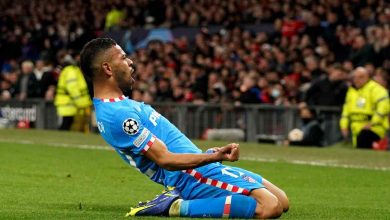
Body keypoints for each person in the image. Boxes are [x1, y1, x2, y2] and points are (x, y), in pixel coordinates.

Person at [79, 38, 289, 219]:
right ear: (107, 68)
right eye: (123, 58)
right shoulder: (118, 115)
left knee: (282, 200)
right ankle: (174, 206)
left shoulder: (118, 106)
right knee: (269, 207)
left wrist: (206, 156)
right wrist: (214, 158)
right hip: (189, 174)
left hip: (197, 164)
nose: (130, 62)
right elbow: (166, 160)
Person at [340, 67, 390, 148]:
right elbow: (345, 111)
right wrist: (343, 126)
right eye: (355, 77)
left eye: (361, 77)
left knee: (364, 137)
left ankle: (379, 145)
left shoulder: (376, 89)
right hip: (355, 130)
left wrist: (372, 123)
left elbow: (383, 108)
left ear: (368, 77)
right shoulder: (351, 91)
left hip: (374, 129)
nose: (357, 80)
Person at [54, 54, 92, 131]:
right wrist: (81, 103)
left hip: (69, 104)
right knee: (66, 125)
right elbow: (72, 88)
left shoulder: (69, 70)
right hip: (69, 105)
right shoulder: (71, 71)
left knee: (67, 125)